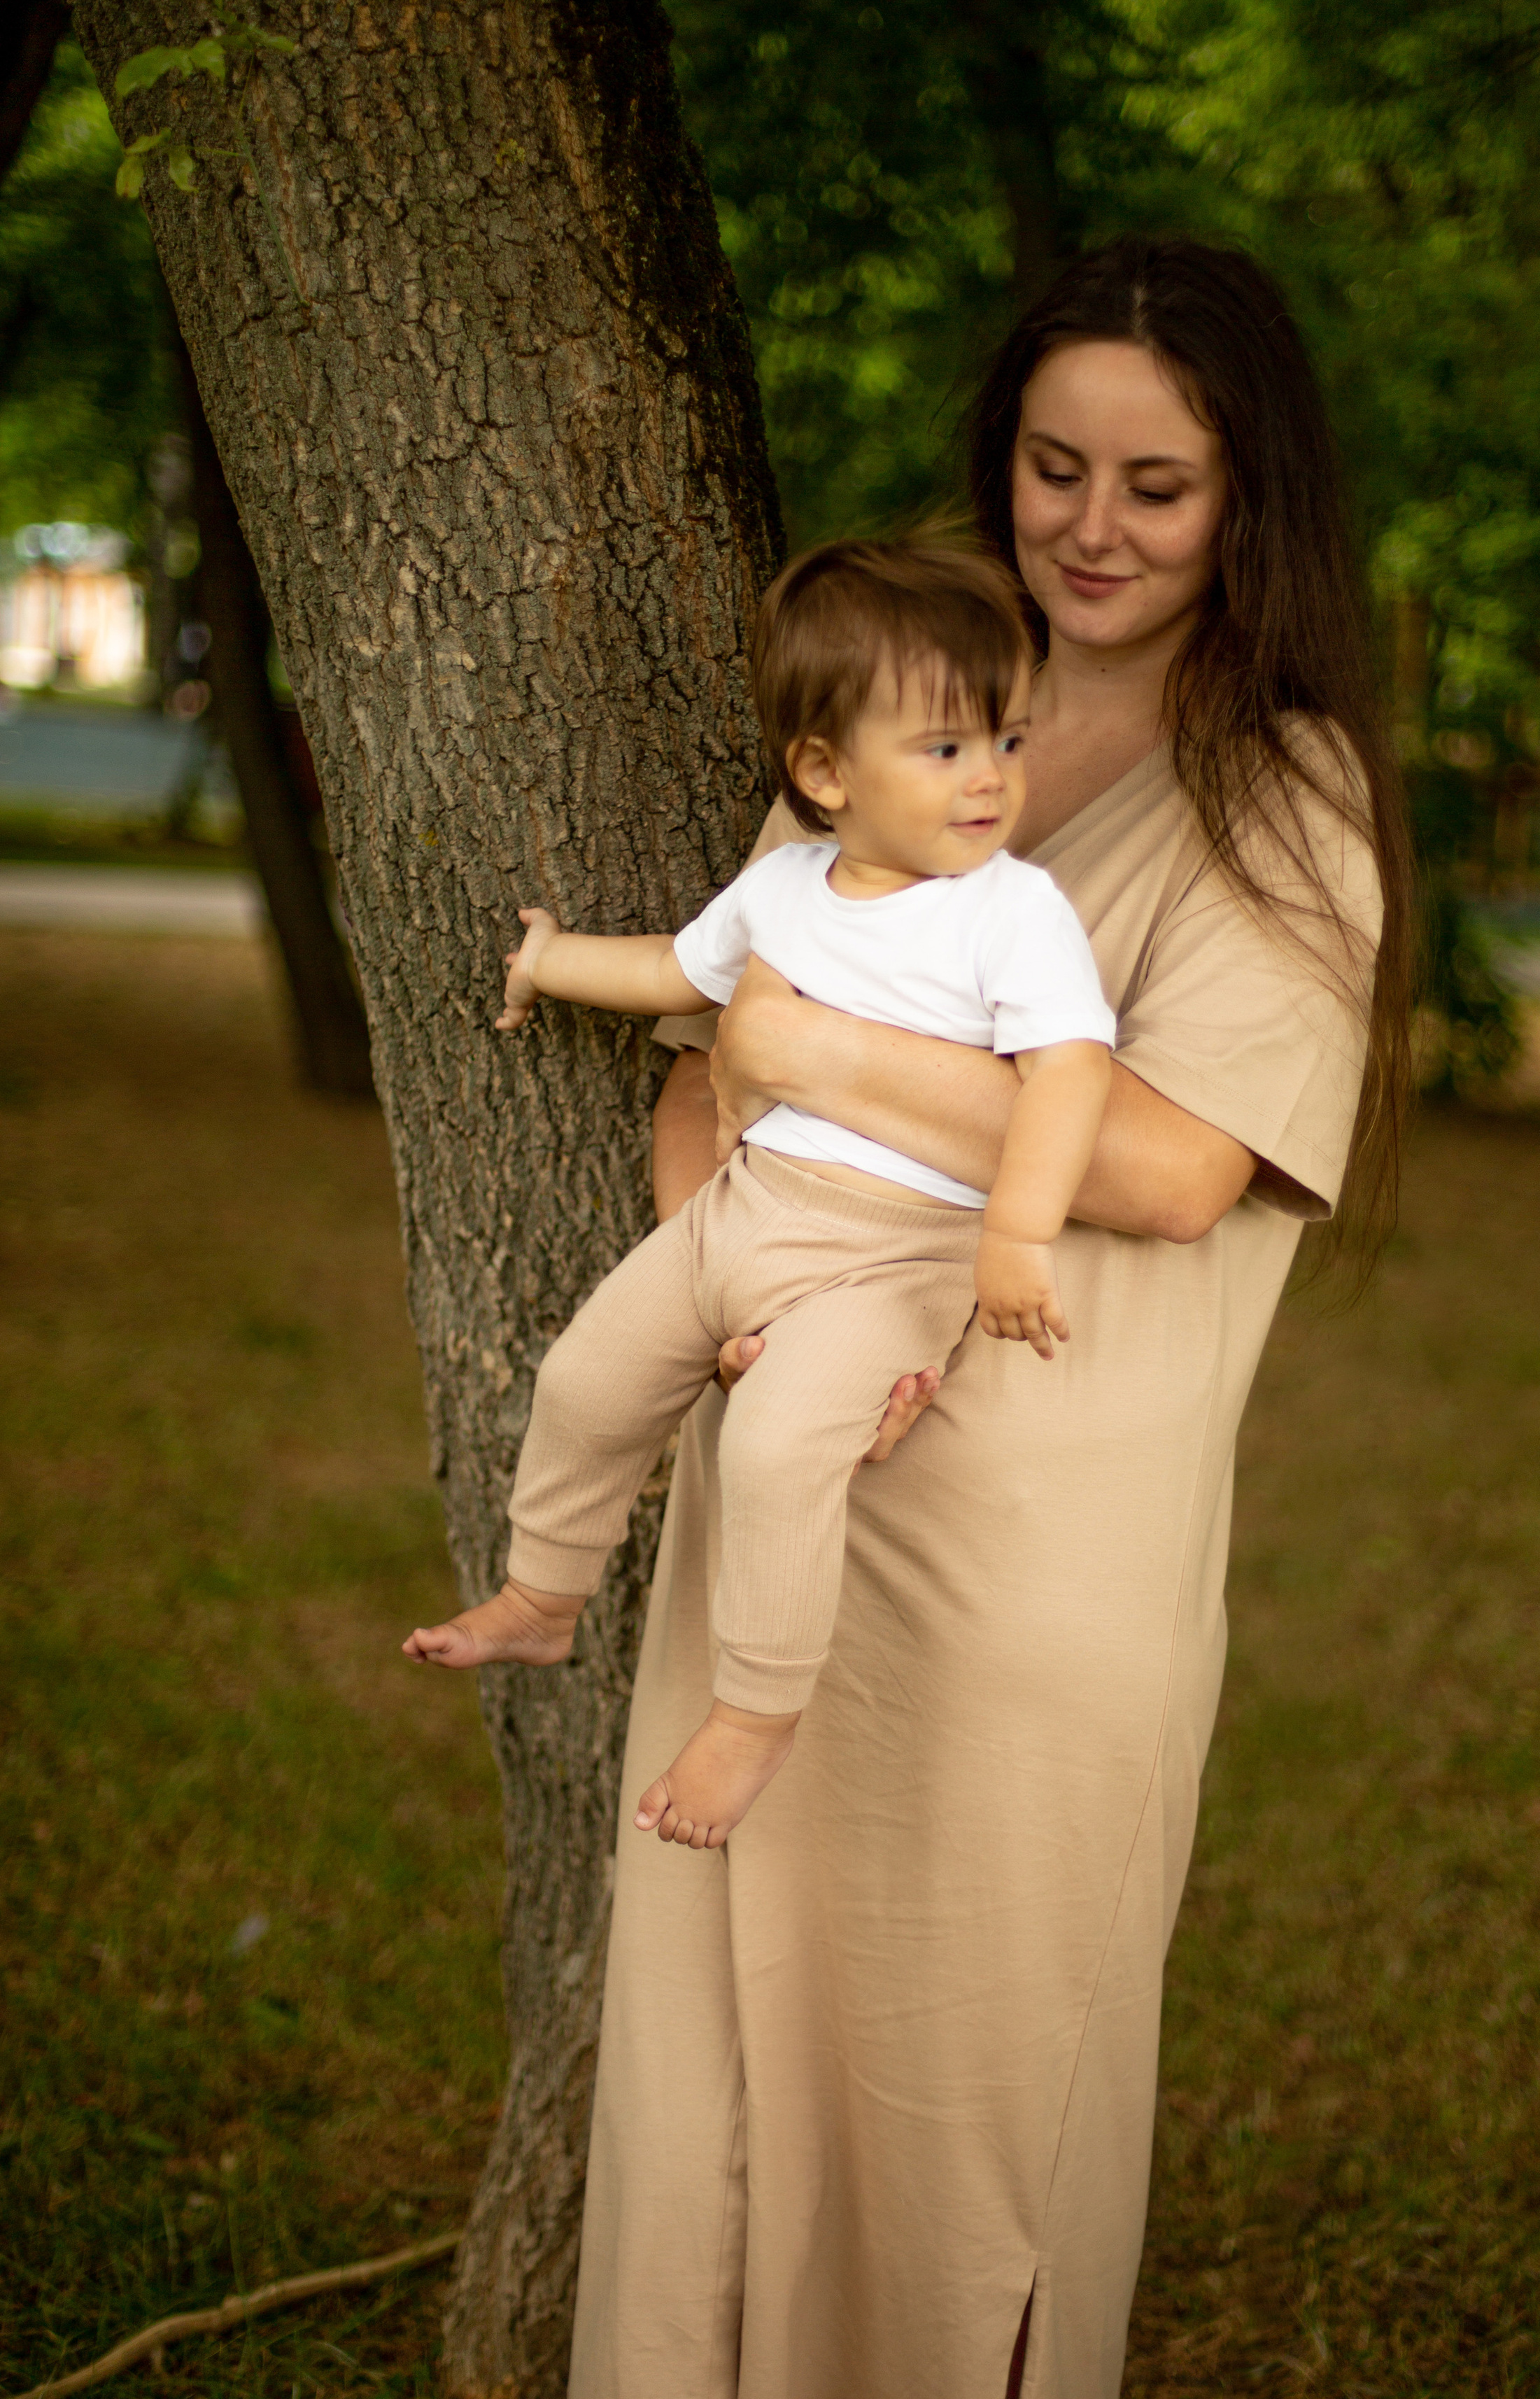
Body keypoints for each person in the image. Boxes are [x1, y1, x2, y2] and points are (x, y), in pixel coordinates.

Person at [570, 235, 1413, 2399]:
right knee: (725, 2066)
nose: (1096, 527)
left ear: (1254, 500)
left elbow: (1161, 1168)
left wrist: (810, 1041)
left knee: (974, 2119)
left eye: (1160, 481)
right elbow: (699, 1083)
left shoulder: (1283, 794)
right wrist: (749, 1307)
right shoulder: (929, 699)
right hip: (800, 1492)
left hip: (1046, 1564)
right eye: (1056, 467)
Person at [402, 540, 1113, 1848]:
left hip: (894, 1258)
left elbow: (1071, 1075)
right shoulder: (786, 887)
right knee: (587, 1377)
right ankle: (543, 1595)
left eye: (1007, 739)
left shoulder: (1014, 913)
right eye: (948, 748)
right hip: (745, 1210)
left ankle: (755, 1715)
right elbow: (682, 973)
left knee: (778, 1448)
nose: (991, 777)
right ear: (825, 773)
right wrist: (552, 964)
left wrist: (1017, 1232)